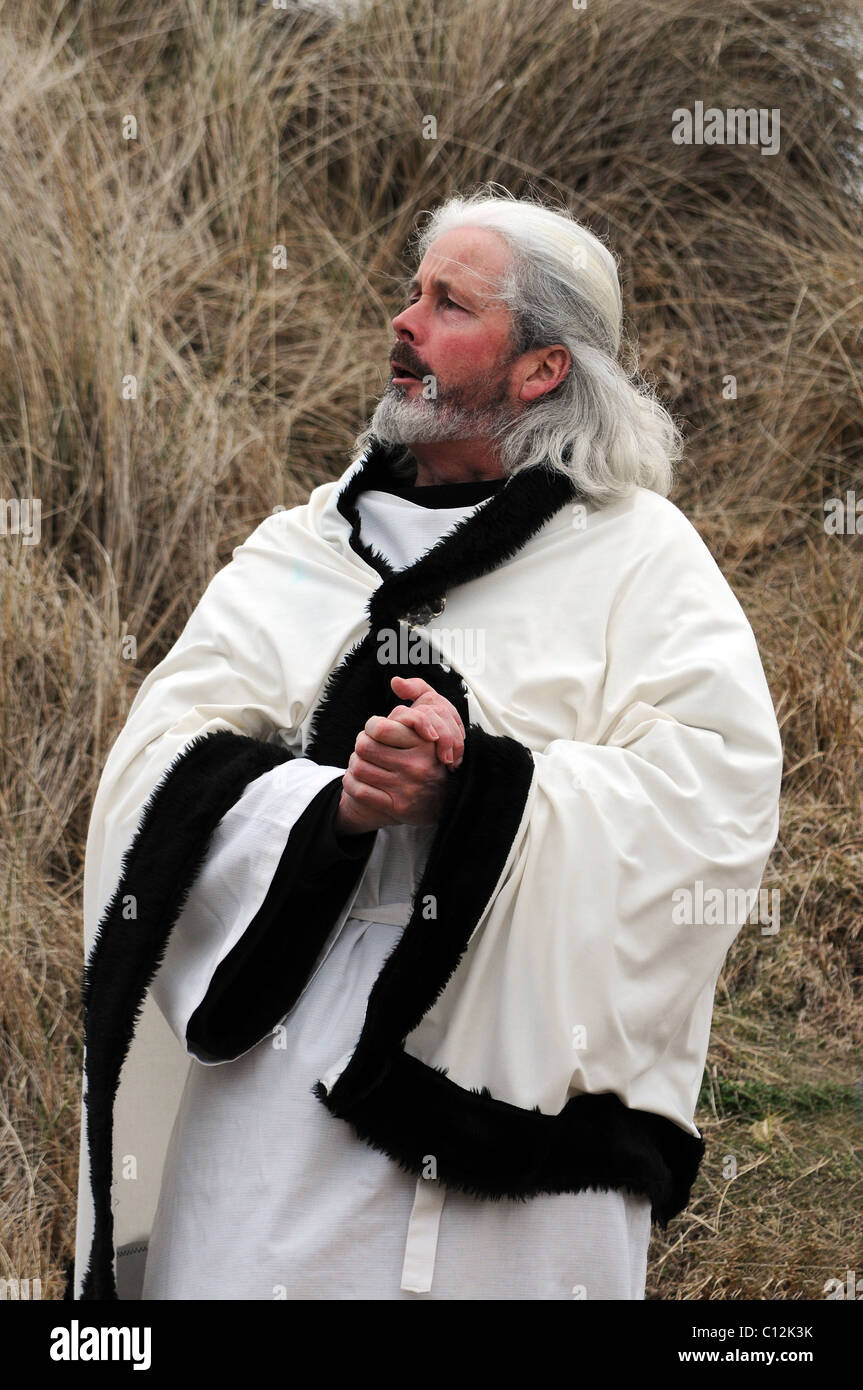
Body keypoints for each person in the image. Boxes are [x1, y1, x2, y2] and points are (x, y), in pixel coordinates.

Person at [72, 186, 783, 1301]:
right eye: (411, 292)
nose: (403, 322)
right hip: (276, 1110)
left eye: (448, 303)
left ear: (539, 369)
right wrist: (332, 807)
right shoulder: (299, 550)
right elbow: (156, 763)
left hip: (525, 1158)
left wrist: (483, 786)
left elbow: (713, 796)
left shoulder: (641, 558)